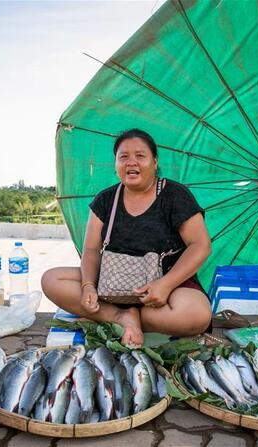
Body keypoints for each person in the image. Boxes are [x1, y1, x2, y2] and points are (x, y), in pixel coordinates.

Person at [42, 129, 212, 346]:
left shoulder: (175, 195)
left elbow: (200, 245)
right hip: (112, 283)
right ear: (115, 164)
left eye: (140, 156)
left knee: (196, 316)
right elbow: (92, 249)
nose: (132, 162)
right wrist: (87, 286)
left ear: (155, 162)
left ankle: (126, 317)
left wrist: (165, 285)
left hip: (167, 285)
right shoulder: (105, 199)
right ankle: (120, 317)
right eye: (124, 157)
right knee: (51, 280)